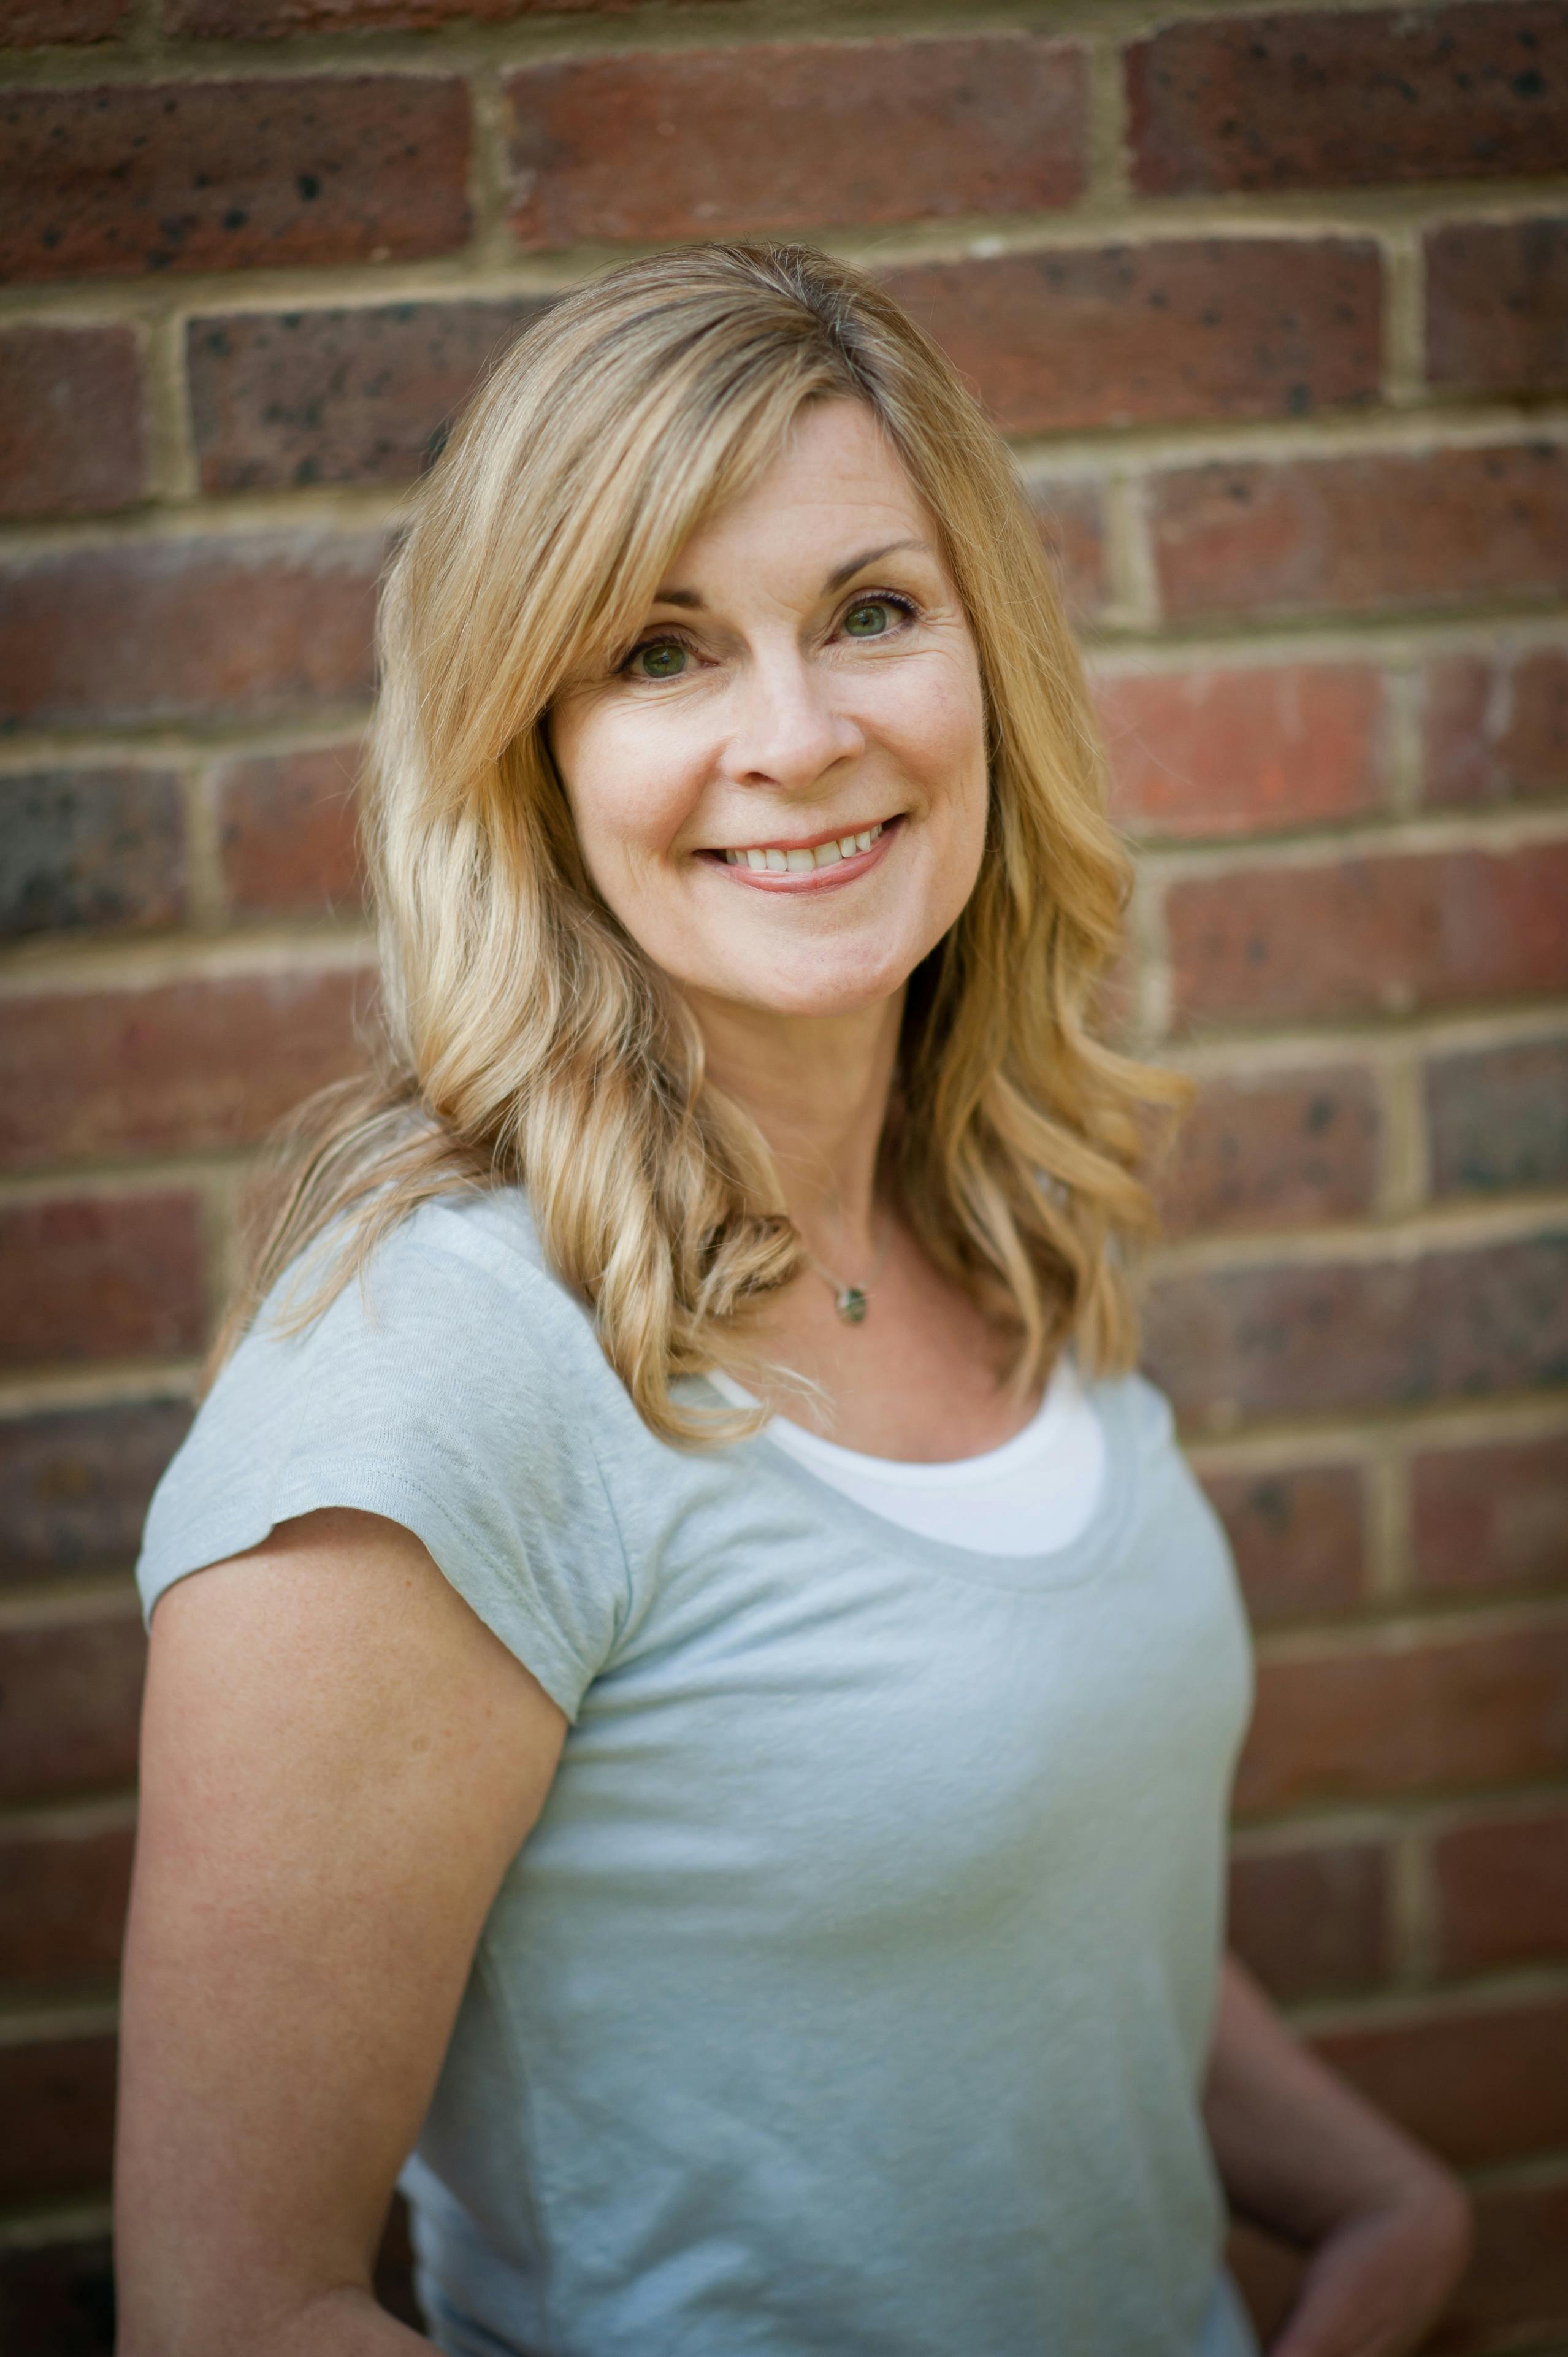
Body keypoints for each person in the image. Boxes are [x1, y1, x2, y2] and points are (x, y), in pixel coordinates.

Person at [116, 243, 1471, 2357]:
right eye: (661, 652)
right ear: (530, 754)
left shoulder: (991, 1219)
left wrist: (1384, 2205)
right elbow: (237, 2313)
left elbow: (1019, 1873)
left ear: (986, 656)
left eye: (869, 612)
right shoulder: (430, 1377)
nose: (801, 734)